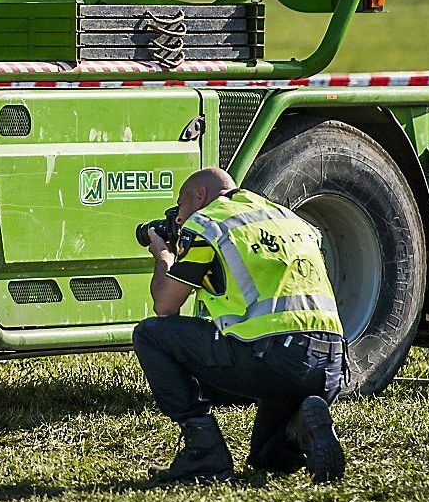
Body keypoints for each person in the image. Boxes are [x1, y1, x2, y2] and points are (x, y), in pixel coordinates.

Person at [132, 168, 347, 485]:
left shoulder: (207, 224)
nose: (178, 219)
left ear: (200, 196)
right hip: (330, 367)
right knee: (265, 458)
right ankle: (299, 429)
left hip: (275, 359)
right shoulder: (287, 218)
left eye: (180, 206)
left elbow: (166, 305)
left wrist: (163, 256)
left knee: (151, 334)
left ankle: (203, 452)